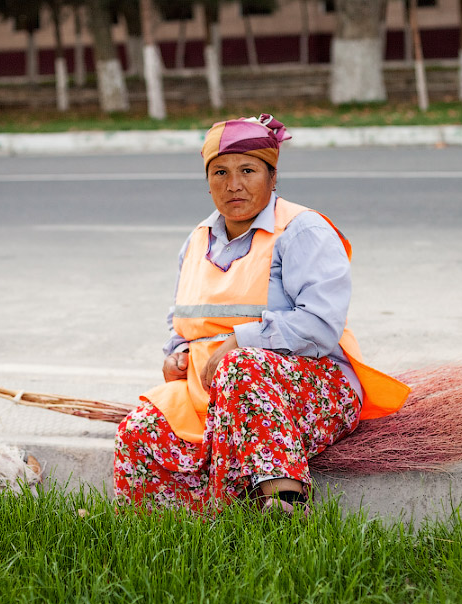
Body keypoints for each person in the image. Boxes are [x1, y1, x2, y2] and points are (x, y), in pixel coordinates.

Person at [113, 114, 410, 514]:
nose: (233, 184)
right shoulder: (198, 241)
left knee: (241, 368)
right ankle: (185, 524)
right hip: (214, 391)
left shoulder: (302, 230)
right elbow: (183, 321)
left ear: (273, 178)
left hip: (311, 387)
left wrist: (240, 341)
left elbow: (320, 326)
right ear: (207, 182)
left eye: (248, 170)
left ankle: (284, 504)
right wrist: (177, 357)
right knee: (139, 428)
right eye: (219, 172)